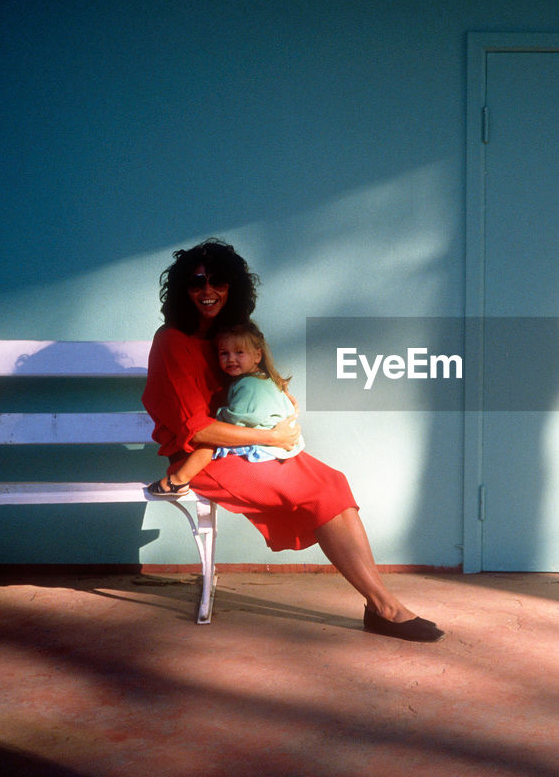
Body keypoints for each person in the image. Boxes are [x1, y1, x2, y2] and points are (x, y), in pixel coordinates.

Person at [141, 239, 443, 642]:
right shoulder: (172, 341)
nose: (208, 290)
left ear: (233, 287)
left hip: (244, 446)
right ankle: (386, 608)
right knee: (319, 494)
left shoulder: (226, 336)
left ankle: (378, 604)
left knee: (332, 482)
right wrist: (272, 434)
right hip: (202, 457)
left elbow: (251, 380)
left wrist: (278, 400)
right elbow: (196, 429)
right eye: (197, 282)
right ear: (183, 288)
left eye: (218, 281)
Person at [147, 321, 303, 498]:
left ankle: (178, 480)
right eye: (224, 353)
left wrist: (219, 416)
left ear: (257, 355)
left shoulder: (249, 385)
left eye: (239, 352)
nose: (231, 359)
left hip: (265, 444)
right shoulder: (264, 379)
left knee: (210, 442)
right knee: (213, 435)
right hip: (280, 442)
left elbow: (238, 419)